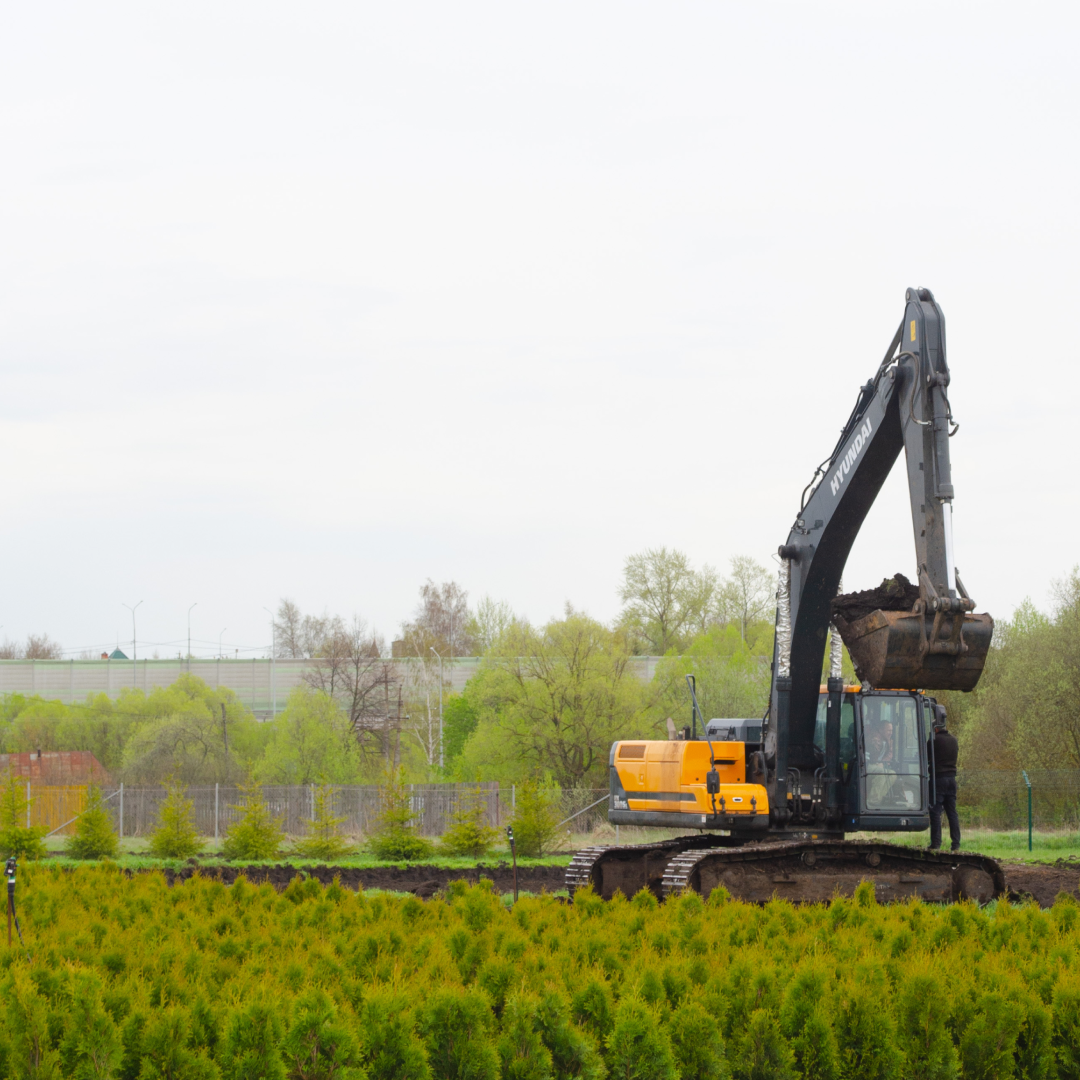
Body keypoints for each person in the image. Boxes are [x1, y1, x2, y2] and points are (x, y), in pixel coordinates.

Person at [928, 703, 960, 852]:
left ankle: (936, 843)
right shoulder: (954, 740)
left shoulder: (933, 740)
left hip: (938, 779)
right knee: (952, 812)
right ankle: (956, 844)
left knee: (935, 811)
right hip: (951, 779)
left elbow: (926, 757)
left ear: (935, 728)